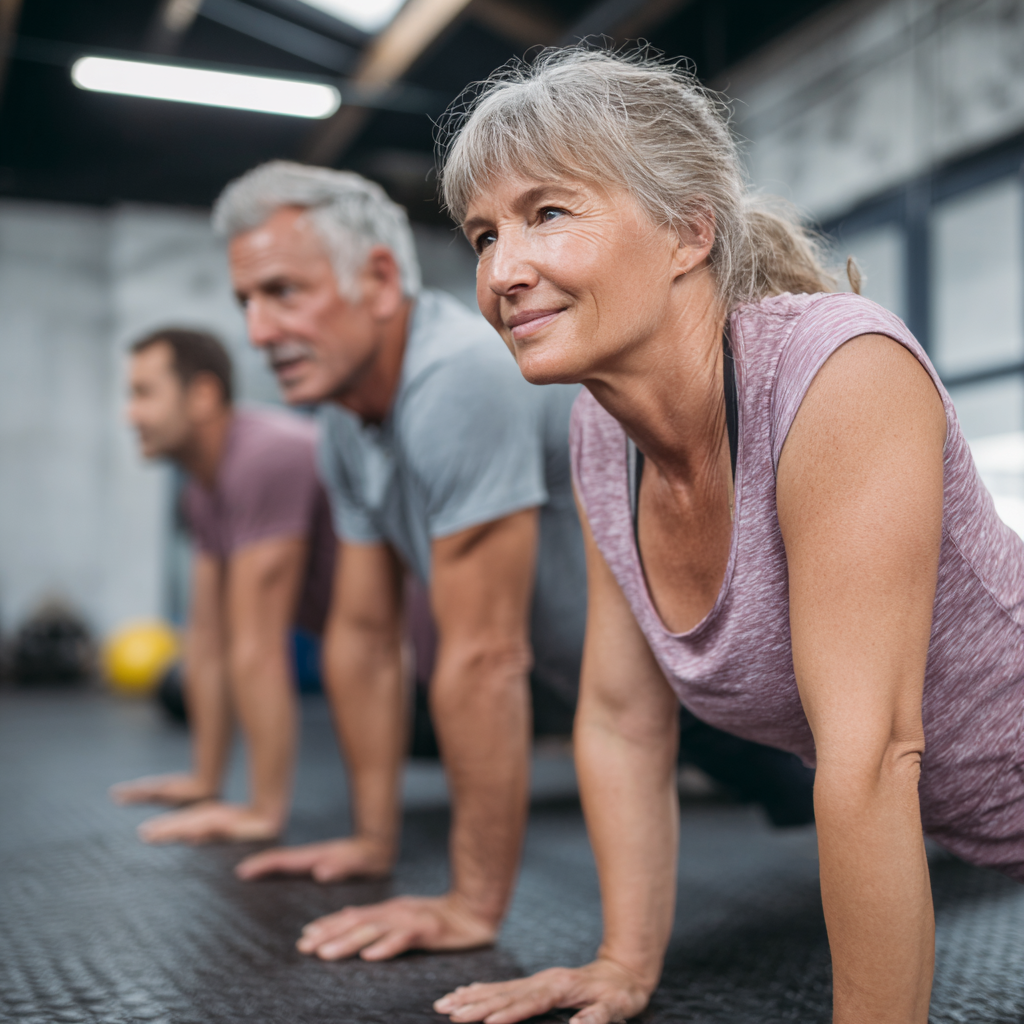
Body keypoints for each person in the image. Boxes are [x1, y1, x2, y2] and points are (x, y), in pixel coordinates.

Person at [429, 48, 1024, 1024]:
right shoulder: (599, 432)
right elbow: (622, 718)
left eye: (547, 213)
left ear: (687, 231)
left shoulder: (837, 372)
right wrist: (622, 962)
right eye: (482, 233)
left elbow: (870, 757)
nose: (502, 270)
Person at [210, 162, 816, 963]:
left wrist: (470, 904)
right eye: (246, 303)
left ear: (382, 277)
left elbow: (486, 656)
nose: (258, 332)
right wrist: (370, 838)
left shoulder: (454, 376)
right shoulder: (345, 426)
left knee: (912, 797)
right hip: (612, 683)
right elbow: (360, 635)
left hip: (717, 672)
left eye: (284, 293)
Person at [112, 328, 336, 845]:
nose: (131, 415)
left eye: (144, 393)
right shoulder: (201, 494)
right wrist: (205, 783)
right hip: (383, 675)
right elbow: (209, 641)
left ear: (203, 396)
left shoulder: (269, 455)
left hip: (427, 678)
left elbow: (258, 647)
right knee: (178, 678)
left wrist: (260, 812)